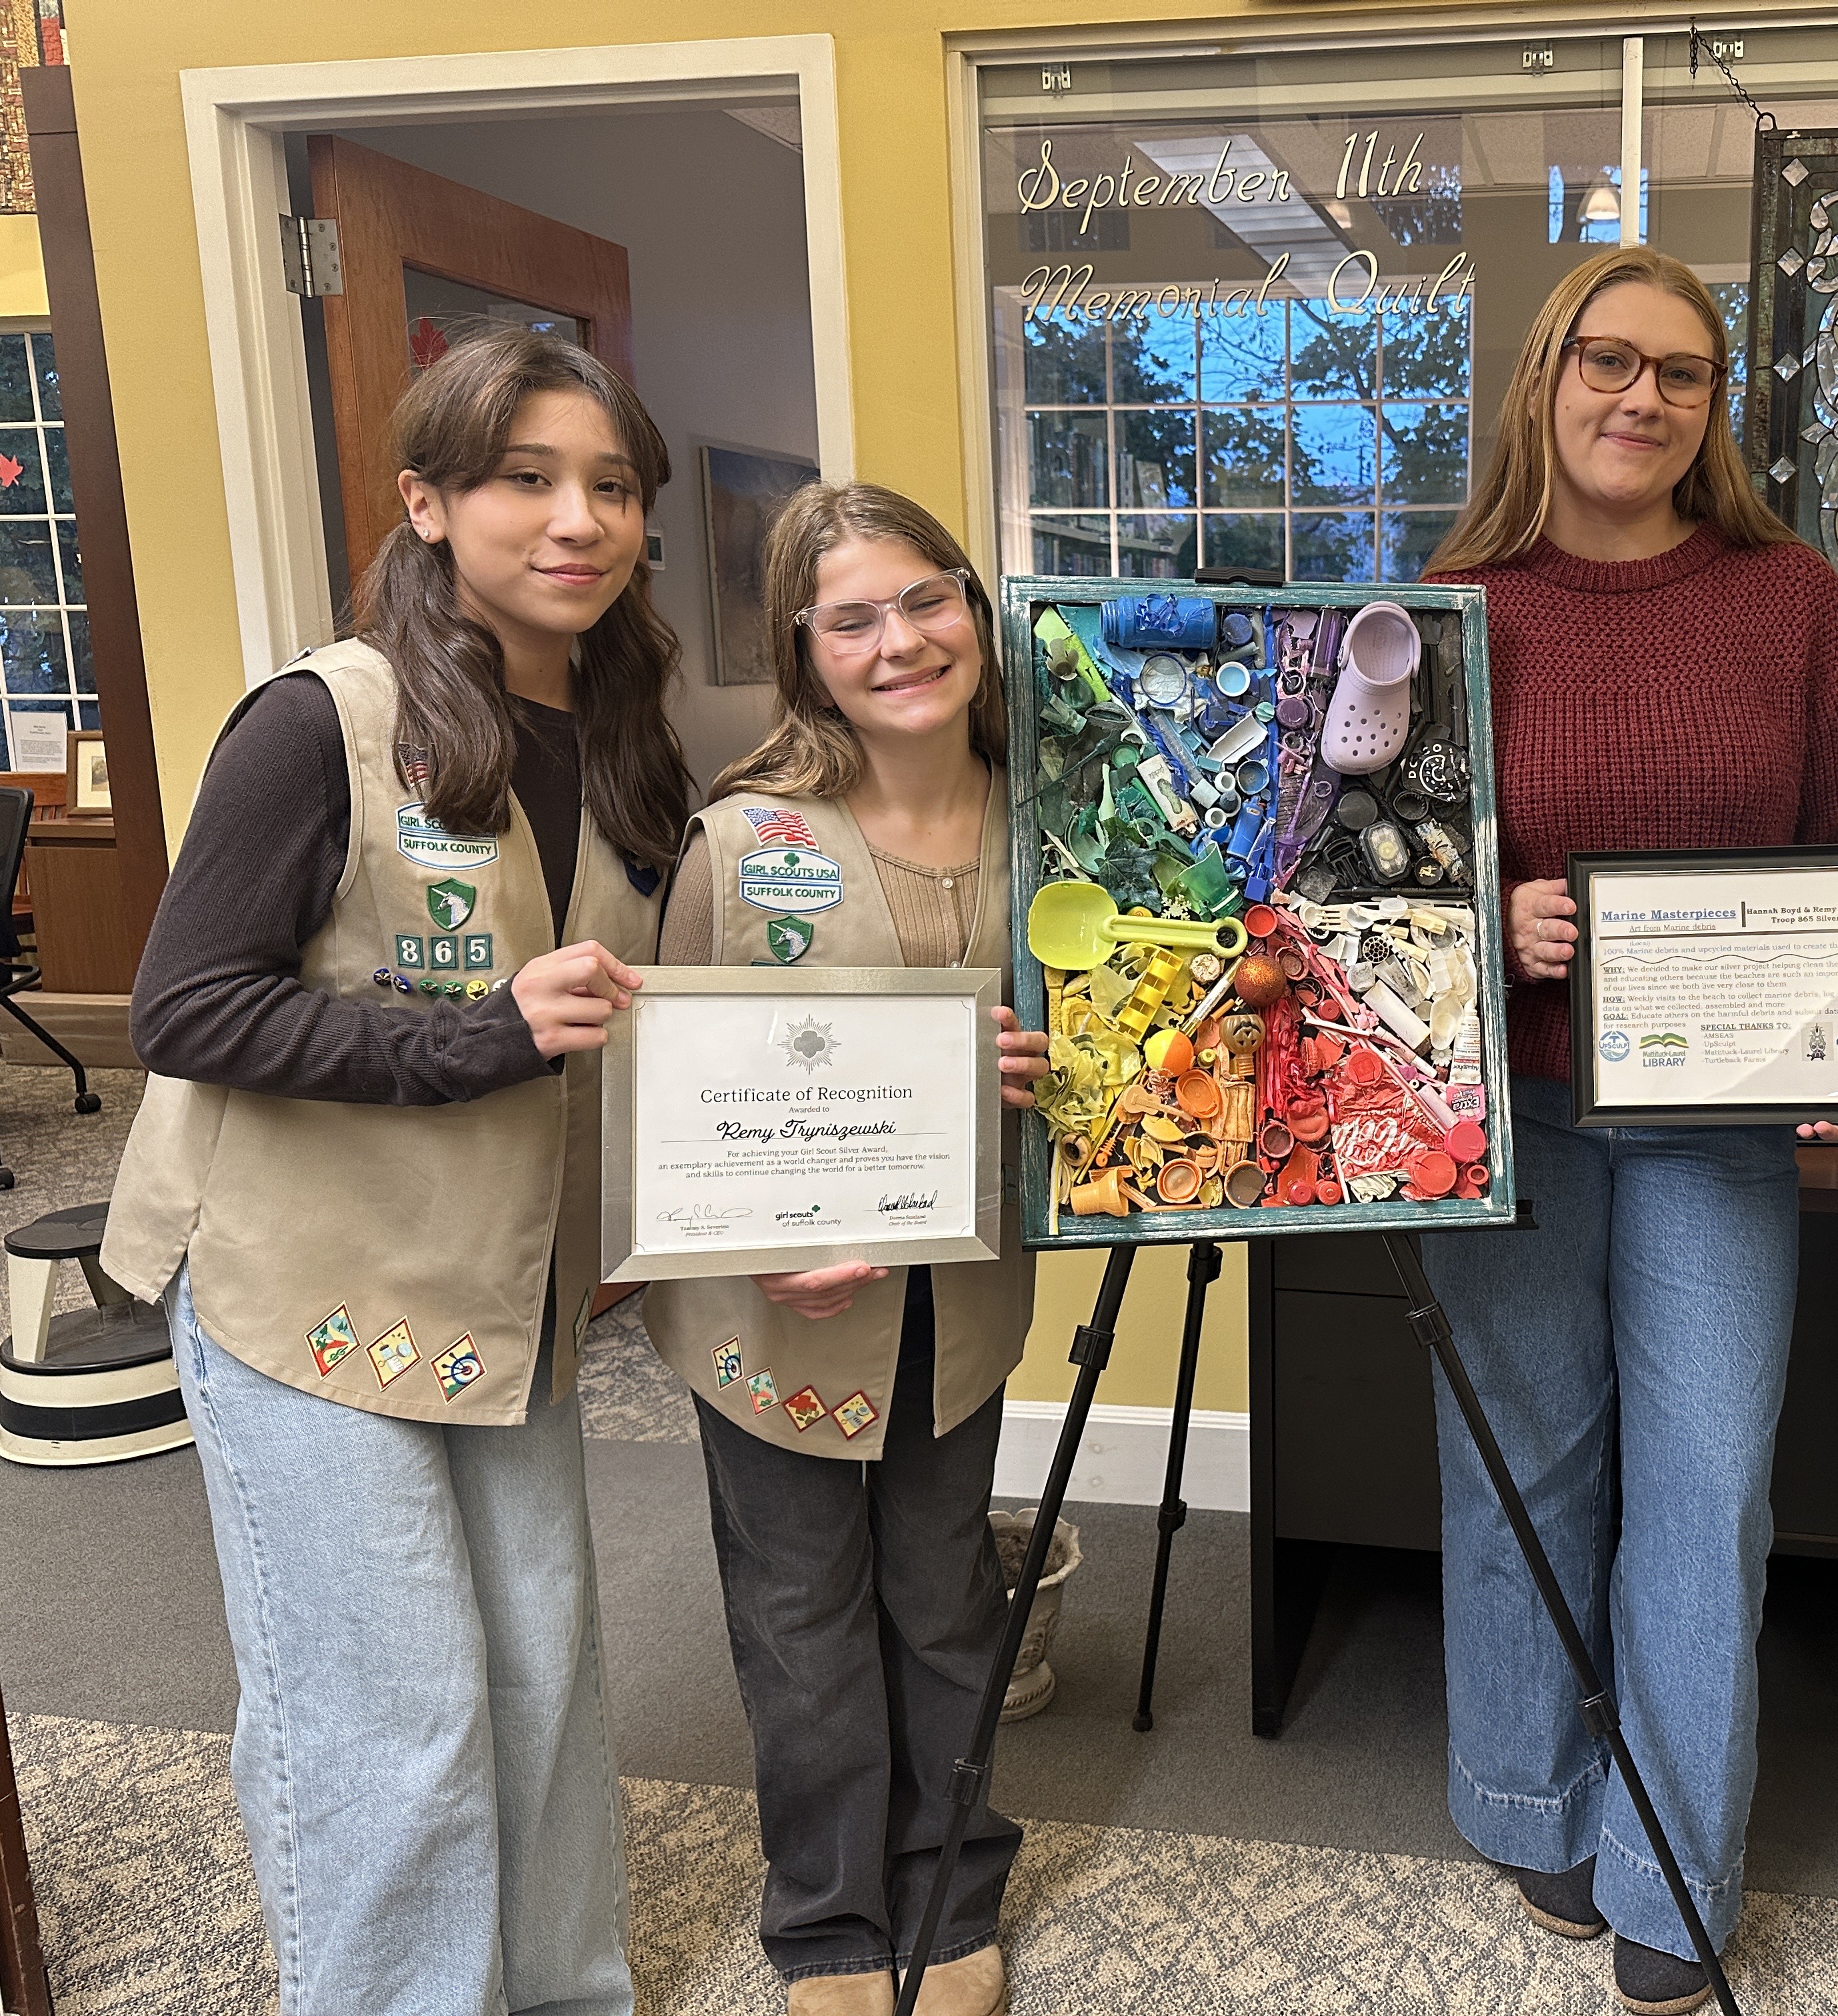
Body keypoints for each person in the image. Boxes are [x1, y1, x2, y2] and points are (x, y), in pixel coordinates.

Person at [101, 327, 691, 2016]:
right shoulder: (325, 719)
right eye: (525, 479)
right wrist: (475, 1043)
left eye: (613, 486)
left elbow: (643, 1020)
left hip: (508, 1294)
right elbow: (185, 1008)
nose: (577, 519)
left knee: (540, 1681)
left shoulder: (638, 737)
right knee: (394, 1712)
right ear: (428, 502)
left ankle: (564, 1990)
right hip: (308, 1283)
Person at [1421, 245, 1838, 2015]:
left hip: (1708, 1128)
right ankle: (1529, 1801)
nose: (1640, 399)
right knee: (1521, 1475)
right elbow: (1356, 884)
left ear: (1714, 410)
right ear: (1545, 378)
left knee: (1707, 1492)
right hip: (1509, 1122)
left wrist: (1822, 1012)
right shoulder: (1443, 608)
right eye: (1607, 362)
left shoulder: (1800, 613)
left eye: (1681, 375)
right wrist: (1495, 926)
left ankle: (1671, 1869)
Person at [642, 482, 1047, 2016]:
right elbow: (667, 1091)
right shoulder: (748, 843)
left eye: (926, 598)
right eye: (853, 619)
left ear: (973, 606)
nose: (901, 642)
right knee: (801, 1612)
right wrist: (749, 1246)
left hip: (965, 1297)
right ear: (806, 656)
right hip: (781, 1313)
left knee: (943, 1593)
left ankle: (950, 1890)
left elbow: (1136, 1043)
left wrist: (1046, 1068)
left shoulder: (1054, 810)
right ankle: (823, 1920)